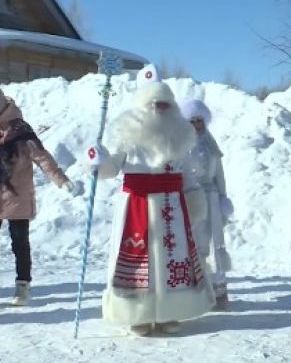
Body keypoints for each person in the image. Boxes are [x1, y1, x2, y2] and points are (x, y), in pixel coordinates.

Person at [87, 82, 215, 336]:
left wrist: (194, 199)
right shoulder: (127, 136)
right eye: (152, 104)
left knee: (173, 257)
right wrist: (97, 162)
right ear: (141, 108)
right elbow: (110, 170)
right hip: (137, 204)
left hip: (172, 208)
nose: (158, 109)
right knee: (137, 261)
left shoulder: (182, 137)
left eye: (164, 104)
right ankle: (137, 315)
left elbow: (187, 175)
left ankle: (171, 310)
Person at [0, 89, 83, 305]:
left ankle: (22, 286)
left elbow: (42, 157)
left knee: (19, 242)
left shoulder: (21, 130)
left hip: (17, 194)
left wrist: (61, 180)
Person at [181, 99, 234, 310]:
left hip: (211, 197)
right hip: (192, 197)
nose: (196, 124)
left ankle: (219, 289)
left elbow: (219, 174)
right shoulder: (182, 146)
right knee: (196, 243)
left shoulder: (211, 145)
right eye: (192, 121)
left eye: (199, 120)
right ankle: (199, 290)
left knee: (215, 243)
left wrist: (223, 197)